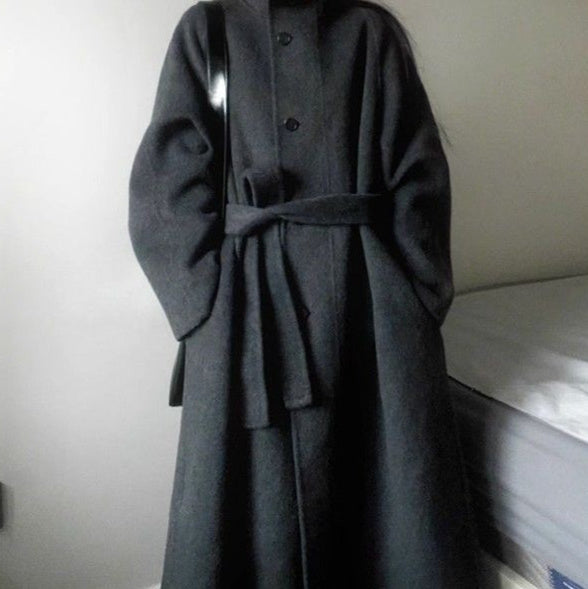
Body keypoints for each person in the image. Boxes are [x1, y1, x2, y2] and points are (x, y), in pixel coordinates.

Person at [128, 0, 483, 586]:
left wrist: (416, 297)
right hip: (244, 317)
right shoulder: (209, 31)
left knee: (386, 510)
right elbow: (168, 181)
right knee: (241, 517)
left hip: (372, 314)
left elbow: (419, 173)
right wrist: (204, 307)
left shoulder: (369, 33)